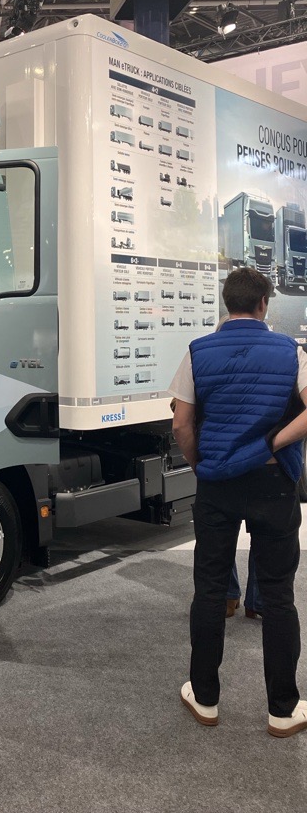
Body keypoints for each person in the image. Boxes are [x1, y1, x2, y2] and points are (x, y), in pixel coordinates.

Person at [170, 266, 307, 737]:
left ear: (226, 304)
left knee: (210, 590)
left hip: (217, 485)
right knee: (278, 595)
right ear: (264, 303)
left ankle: (205, 698)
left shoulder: (198, 352)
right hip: (274, 483)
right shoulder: (291, 351)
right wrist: (273, 443)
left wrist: (198, 464)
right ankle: (282, 710)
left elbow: (181, 425)